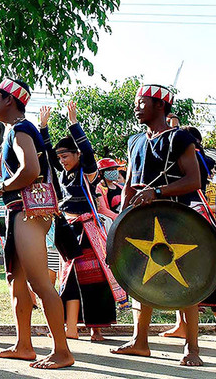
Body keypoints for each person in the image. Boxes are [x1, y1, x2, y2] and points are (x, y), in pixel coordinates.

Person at [110, 84, 204, 366]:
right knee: (139, 278)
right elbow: (128, 183)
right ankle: (140, 342)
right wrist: (122, 214)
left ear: (160, 106)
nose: (136, 107)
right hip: (139, 220)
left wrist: (158, 192)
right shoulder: (135, 140)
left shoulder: (180, 138)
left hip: (174, 219)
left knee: (184, 281)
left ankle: (192, 347)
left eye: (141, 102)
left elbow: (194, 180)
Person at [0, 78, 73, 370]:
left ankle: (62, 351)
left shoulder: (21, 129)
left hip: (27, 214)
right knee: (16, 281)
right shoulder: (16, 129)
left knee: (39, 283)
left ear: (10, 99)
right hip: (20, 212)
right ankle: (24, 346)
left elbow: (31, 170)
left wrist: (1, 186)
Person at [39, 102, 128, 342]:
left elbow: (88, 153)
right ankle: (70, 326)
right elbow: (48, 156)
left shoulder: (87, 172)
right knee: (69, 279)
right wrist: (43, 128)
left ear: (76, 154)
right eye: (61, 157)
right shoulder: (64, 173)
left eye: (66, 156)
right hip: (68, 230)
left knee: (93, 278)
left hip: (88, 231)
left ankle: (95, 328)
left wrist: (73, 123)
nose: (62, 160)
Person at [159, 126, 216, 343]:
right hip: (176, 218)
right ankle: (180, 325)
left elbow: (196, 176)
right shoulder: (167, 157)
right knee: (177, 271)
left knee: (214, 272)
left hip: (198, 218)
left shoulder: (201, 159)